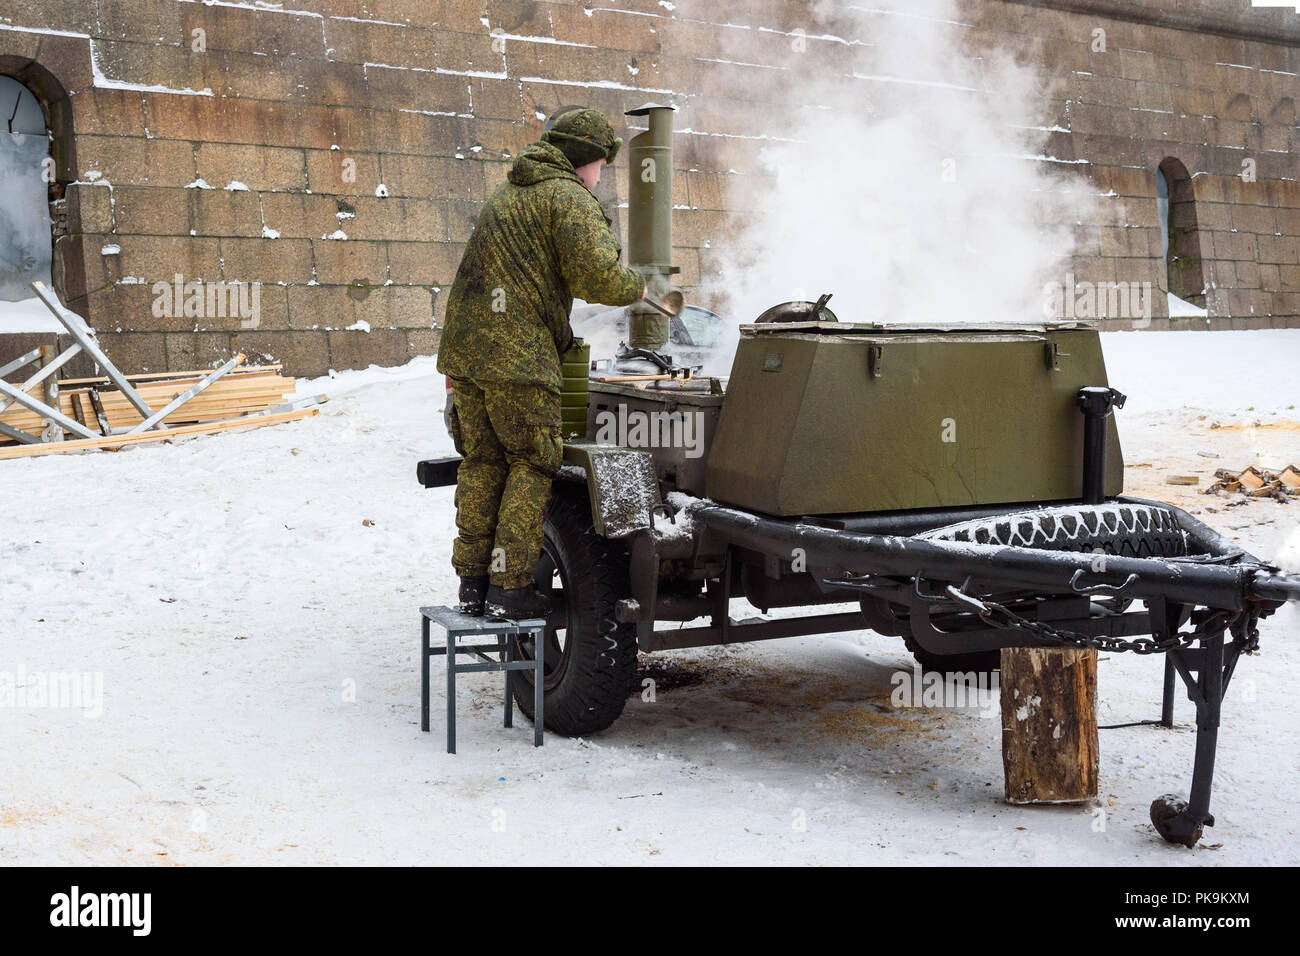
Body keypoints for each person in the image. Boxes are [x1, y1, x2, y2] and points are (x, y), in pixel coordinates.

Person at [436, 108, 647, 619]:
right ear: (584, 158)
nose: (600, 176)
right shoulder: (567, 197)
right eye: (601, 165)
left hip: (466, 353)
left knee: (483, 461)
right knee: (532, 462)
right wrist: (638, 286)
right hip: (518, 359)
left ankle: (474, 583)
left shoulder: (508, 193)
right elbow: (598, 278)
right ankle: (511, 589)